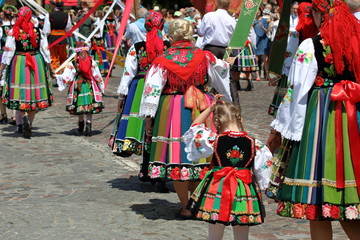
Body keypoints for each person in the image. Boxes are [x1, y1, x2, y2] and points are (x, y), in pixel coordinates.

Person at [267, 0, 360, 239]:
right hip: (354, 117)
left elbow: (297, 90)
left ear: (321, 15)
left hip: (321, 119)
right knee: (347, 198)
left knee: (316, 201)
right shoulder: (357, 38)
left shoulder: (312, 44)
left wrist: (279, 130)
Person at [139, 19, 232, 218]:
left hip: (172, 109)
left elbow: (152, 92)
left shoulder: (162, 61)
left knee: (178, 158)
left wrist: (149, 121)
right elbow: (221, 76)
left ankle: (185, 206)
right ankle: (198, 201)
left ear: (171, 37)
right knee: (201, 154)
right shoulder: (204, 56)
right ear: (191, 35)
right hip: (201, 106)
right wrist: (227, 101)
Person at [184, 95, 272, 240]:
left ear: (216, 123)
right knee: (242, 231)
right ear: (240, 120)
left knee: (215, 230)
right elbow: (263, 174)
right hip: (244, 190)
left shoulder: (214, 140)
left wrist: (210, 109)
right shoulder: (256, 144)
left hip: (217, 187)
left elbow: (195, 128)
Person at [110, 10, 170, 159]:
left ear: (146, 26)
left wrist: (122, 97)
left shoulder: (137, 48)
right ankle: (157, 163)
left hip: (141, 88)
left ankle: (145, 165)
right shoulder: (169, 47)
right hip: (164, 87)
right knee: (160, 125)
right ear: (162, 26)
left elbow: (128, 74)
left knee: (144, 125)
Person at [0, 6, 54, 138]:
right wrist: (51, 69)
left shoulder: (14, 31)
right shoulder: (38, 31)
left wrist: (1, 69)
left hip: (19, 62)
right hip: (36, 61)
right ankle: (29, 122)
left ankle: (21, 121)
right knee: (34, 95)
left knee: (19, 93)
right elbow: (45, 51)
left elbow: (8, 52)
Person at [56, 42, 104, 136]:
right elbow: (97, 74)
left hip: (78, 85)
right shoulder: (91, 61)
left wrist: (59, 77)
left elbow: (67, 76)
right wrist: (101, 86)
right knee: (90, 105)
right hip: (89, 84)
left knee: (79, 104)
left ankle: (81, 124)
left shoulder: (73, 62)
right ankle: (89, 124)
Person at [43, 0, 72, 71]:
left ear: (54, 5)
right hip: (63, 38)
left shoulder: (49, 15)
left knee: (53, 56)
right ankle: (64, 71)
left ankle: (56, 72)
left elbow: (46, 30)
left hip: (52, 38)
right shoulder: (66, 15)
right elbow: (68, 28)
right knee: (63, 56)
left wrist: (45, 38)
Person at [0, 4, 17, 125]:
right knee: (13, 85)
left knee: (1, 86)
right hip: (16, 58)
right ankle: (13, 115)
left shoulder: (1, 28)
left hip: (3, 57)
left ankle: (3, 114)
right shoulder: (18, 28)